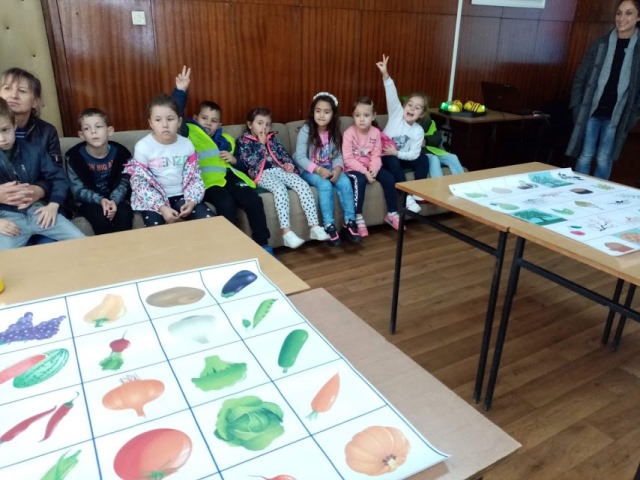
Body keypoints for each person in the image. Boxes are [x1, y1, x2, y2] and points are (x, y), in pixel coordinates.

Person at [171, 67, 272, 253]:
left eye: (213, 120)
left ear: (220, 124)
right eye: (204, 118)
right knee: (225, 202)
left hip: (230, 178)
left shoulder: (227, 139)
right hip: (207, 183)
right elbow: (176, 116)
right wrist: (181, 91)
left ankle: (263, 244)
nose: (208, 123)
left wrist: (234, 160)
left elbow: (243, 166)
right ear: (195, 118)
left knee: (253, 200)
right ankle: (231, 248)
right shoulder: (188, 132)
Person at [235, 107, 329, 249]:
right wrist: (261, 145)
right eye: (260, 123)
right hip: (261, 174)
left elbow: (283, 154)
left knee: (302, 184)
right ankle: (286, 233)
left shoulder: (272, 138)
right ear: (250, 124)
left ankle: (315, 227)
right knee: (279, 189)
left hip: (279, 170)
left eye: (267, 124)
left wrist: (288, 165)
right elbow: (249, 163)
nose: (264, 128)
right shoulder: (243, 141)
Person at [566, 0, 640, 180]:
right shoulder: (601, 44)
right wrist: (577, 107)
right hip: (591, 111)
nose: (621, 18)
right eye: (619, 13)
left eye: (628, 13)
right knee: (585, 155)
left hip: (617, 115)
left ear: (638, 17)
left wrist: (633, 116)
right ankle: (578, 190)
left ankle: (601, 194)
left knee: (604, 159)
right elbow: (580, 78)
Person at [0, 97, 84, 250]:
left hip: (39, 211)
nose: (2, 138)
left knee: (82, 241)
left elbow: (58, 178)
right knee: (5, 259)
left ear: (14, 125)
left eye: (5, 130)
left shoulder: (35, 150)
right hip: (7, 219)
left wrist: (53, 205)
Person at [124, 94, 214, 227]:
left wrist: (192, 201)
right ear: (151, 123)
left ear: (179, 122)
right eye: (158, 120)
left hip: (183, 195)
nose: (165, 125)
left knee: (209, 221)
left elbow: (194, 177)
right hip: (153, 200)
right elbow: (139, 183)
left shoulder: (187, 145)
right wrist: (161, 207)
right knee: (157, 229)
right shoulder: (143, 147)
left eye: (170, 119)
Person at [1, 67, 67, 243]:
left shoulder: (47, 132)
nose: (13, 95)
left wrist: (39, 190)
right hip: (5, 214)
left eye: (22, 91)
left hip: (41, 207)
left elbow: (57, 174)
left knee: (51, 246)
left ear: (35, 101)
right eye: (7, 88)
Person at [294, 92, 361, 246]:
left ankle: (349, 222)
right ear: (313, 112)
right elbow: (300, 157)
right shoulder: (306, 130)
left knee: (345, 183)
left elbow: (337, 155)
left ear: (333, 114)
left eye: (326, 112)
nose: (321, 115)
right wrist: (318, 170)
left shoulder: (334, 131)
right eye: (318, 111)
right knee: (325, 185)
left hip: (329, 167)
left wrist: (337, 169)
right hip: (309, 169)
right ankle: (328, 225)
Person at [375, 54, 430, 213]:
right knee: (392, 160)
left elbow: (413, 154)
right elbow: (391, 95)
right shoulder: (396, 114)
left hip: (401, 155)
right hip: (386, 155)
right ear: (404, 106)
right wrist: (385, 75)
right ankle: (406, 197)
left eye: (417, 108)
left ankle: (418, 191)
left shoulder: (418, 131)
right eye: (410, 105)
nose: (412, 109)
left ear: (421, 114)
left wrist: (397, 153)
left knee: (423, 159)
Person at [66, 108, 133, 234]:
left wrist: (114, 200)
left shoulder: (121, 153)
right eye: (87, 128)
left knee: (124, 213)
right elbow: (77, 190)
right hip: (89, 202)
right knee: (100, 218)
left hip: (116, 198)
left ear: (109, 131)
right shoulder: (74, 157)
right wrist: (100, 200)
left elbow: (125, 182)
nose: (93, 131)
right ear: (81, 135)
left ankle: (126, 246)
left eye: (98, 126)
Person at [342, 96, 401, 234]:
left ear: (373, 116)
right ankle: (358, 217)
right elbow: (347, 159)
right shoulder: (348, 133)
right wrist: (365, 171)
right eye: (357, 115)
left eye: (366, 115)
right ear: (353, 116)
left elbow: (376, 154)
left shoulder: (375, 132)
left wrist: (373, 170)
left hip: (370, 166)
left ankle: (392, 213)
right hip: (353, 168)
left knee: (389, 178)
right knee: (360, 180)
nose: (361, 119)